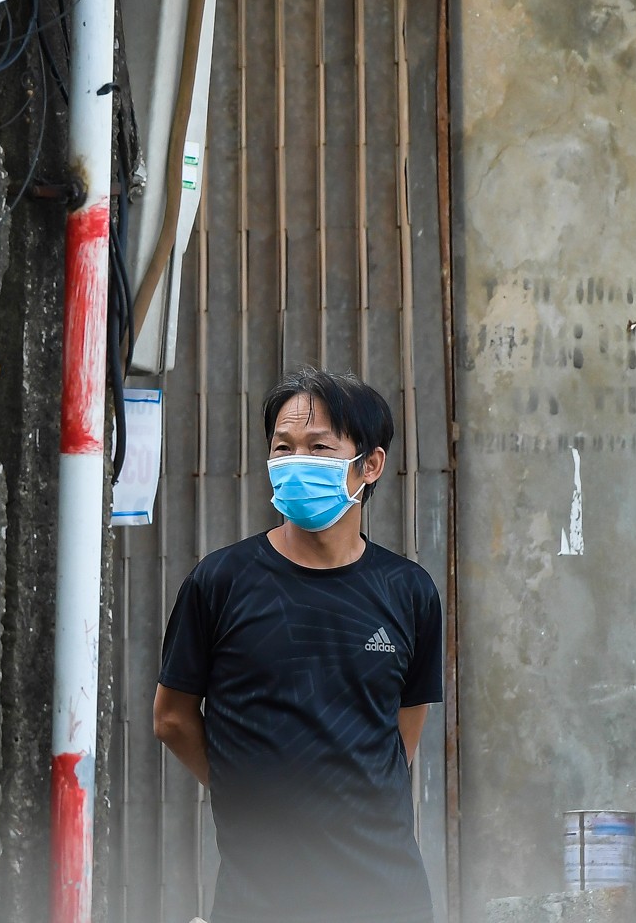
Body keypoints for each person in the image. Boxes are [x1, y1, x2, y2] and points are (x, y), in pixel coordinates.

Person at [153, 367, 444, 923]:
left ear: (371, 465)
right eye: (282, 448)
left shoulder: (409, 592)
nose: (295, 461)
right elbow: (170, 718)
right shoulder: (221, 582)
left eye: (319, 447)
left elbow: (403, 731)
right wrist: (250, 787)